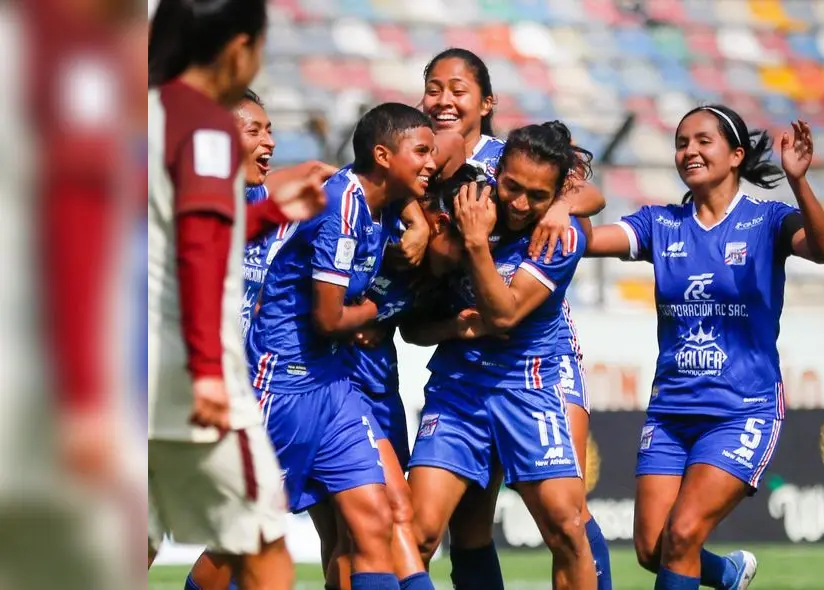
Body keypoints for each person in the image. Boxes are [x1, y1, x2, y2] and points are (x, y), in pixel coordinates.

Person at [584, 105, 824, 590]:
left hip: (742, 409)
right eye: (681, 143)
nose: (689, 151)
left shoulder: (767, 220)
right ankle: (727, 573)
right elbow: (593, 242)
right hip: (670, 412)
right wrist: (557, 209)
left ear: (736, 154)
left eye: (703, 141)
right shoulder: (661, 223)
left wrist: (799, 183)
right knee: (652, 549)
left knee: (682, 533)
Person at [146, 1, 326, 589]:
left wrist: (270, 212)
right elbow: (198, 250)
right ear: (238, 49)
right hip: (182, 367)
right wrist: (204, 371)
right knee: (263, 548)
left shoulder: (146, 115)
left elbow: (186, 229)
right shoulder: (207, 126)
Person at [420, 48, 613, 590]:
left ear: (487, 102)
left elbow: (589, 193)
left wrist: (564, 204)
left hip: (536, 364)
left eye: (458, 89)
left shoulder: (518, 157)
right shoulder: (416, 152)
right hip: (464, 368)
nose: (445, 99)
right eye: (435, 87)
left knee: (566, 516)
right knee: (456, 528)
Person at [245, 102, 438, 590]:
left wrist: (415, 217)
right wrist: (384, 305)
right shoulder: (341, 207)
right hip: (282, 381)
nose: (432, 162)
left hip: (334, 383)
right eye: (422, 151)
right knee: (245, 540)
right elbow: (330, 319)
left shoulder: (382, 199)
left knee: (380, 518)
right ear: (383, 155)